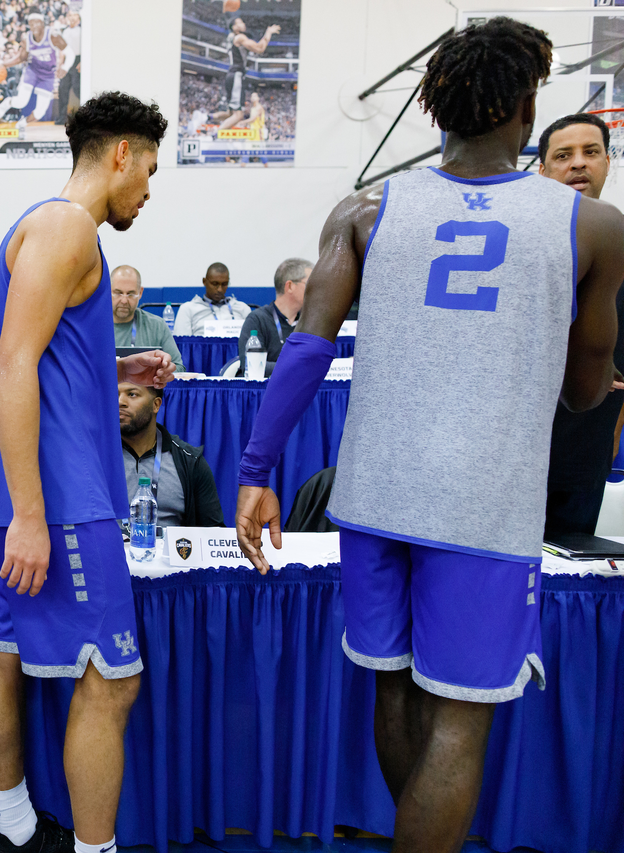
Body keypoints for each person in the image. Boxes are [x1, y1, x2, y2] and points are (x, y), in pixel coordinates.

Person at [234, 18, 624, 852]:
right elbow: (588, 389)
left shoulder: (365, 210)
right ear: (526, 107)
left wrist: (257, 467)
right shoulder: (591, 225)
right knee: (461, 719)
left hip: (373, 493)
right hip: (484, 502)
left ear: (433, 108)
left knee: (396, 689)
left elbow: (305, 349)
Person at [0, 91, 172, 853]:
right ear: (120, 153)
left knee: (4, 650)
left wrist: (115, 363)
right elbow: (11, 365)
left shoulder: (46, 227)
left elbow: (39, 352)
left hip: (35, 491)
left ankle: (17, 824)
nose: (149, 191)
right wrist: (31, 513)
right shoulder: (65, 227)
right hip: (58, 500)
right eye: (149, 170)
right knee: (110, 681)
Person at [538, 112, 624, 536]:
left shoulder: (619, 243)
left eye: (591, 152)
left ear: (607, 162)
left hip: (585, 449)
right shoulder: (521, 243)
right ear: (542, 169)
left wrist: (612, 433)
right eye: (563, 155)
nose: (578, 163)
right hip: (514, 444)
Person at [119, 382, 222, 528]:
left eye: (132, 394)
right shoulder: (94, 458)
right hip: (109, 550)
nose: (120, 402)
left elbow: (213, 533)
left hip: (170, 549)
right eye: (115, 395)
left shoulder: (190, 461)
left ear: (156, 405)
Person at [0, 11, 62, 140]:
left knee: (40, 112)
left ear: (42, 24)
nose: (33, 26)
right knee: (21, 101)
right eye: (31, 23)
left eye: (36, 23)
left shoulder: (52, 36)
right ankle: (7, 103)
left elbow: (64, 53)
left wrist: (63, 67)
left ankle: (21, 124)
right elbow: (21, 58)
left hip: (48, 75)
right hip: (32, 72)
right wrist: (3, 64)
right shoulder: (26, 38)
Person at [237, 257, 311, 375]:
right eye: (309, 283)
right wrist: (297, 367)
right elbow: (251, 365)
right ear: (290, 286)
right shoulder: (257, 320)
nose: (315, 289)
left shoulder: (311, 322)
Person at [110, 264, 185, 371]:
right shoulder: (93, 327)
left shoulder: (157, 326)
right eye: (118, 293)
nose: (124, 300)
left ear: (140, 293)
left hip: (147, 386)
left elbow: (178, 367)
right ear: (108, 291)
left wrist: (163, 373)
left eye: (130, 294)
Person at [211, 18, 280, 130]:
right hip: (236, 75)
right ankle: (215, 135)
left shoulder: (230, 37)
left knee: (230, 114)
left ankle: (207, 117)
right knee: (238, 115)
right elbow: (260, 48)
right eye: (240, 22)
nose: (243, 24)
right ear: (234, 27)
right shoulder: (239, 37)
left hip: (231, 75)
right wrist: (268, 33)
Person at [173, 262, 251, 334]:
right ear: (204, 281)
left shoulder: (242, 308)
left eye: (224, 284)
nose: (219, 289)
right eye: (214, 284)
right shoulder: (188, 309)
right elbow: (182, 345)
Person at [53, 10, 81, 126]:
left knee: (77, 88)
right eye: (70, 15)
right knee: (62, 89)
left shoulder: (83, 31)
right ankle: (61, 118)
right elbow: (61, 49)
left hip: (78, 60)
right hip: (67, 62)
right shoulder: (65, 31)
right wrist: (60, 65)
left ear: (78, 17)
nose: (72, 17)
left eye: (74, 15)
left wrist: (83, 62)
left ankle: (88, 115)